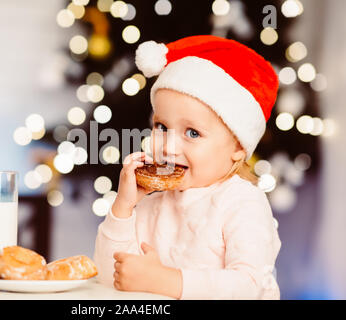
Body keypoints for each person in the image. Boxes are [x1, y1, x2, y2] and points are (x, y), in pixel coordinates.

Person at [93, 35, 281, 299]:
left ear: (238, 146)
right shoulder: (151, 205)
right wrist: (122, 209)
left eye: (192, 133)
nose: (168, 147)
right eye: (161, 127)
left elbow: (250, 285)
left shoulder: (242, 202)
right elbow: (109, 276)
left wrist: (166, 281)